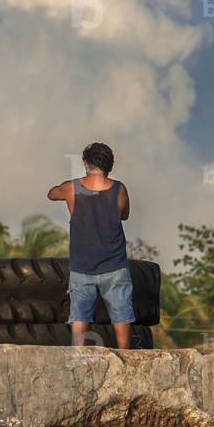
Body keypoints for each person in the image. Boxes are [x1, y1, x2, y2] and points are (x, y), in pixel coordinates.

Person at [47, 142, 134, 349]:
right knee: (121, 316)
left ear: (85, 164)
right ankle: (126, 360)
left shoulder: (71, 188)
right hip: (115, 266)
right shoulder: (119, 188)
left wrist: (69, 189)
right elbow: (125, 214)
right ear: (109, 166)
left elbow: (51, 194)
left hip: (82, 267)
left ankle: (78, 358)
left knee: (79, 318)